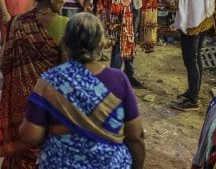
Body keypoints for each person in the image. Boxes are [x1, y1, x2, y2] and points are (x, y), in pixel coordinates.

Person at [19, 13, 145, 169]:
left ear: (65, 44)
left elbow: (30, 136)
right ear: (100, 44)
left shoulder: (49, 81)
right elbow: (135, 137)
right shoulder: (119, 80)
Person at [0, 0, 69, 168]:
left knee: (21, 150)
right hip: (48, 102)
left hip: (20, 101)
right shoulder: (63, 25)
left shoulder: (17, 22)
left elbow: (3, 62)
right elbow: (67, 71)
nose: (64, 1)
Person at [155, 0, 216, 111]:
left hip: (192, 25)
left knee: (191, 60)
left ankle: (193, 98)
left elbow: (175, 5)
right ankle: (193, 91)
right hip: (204, 21)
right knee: (197, 57)